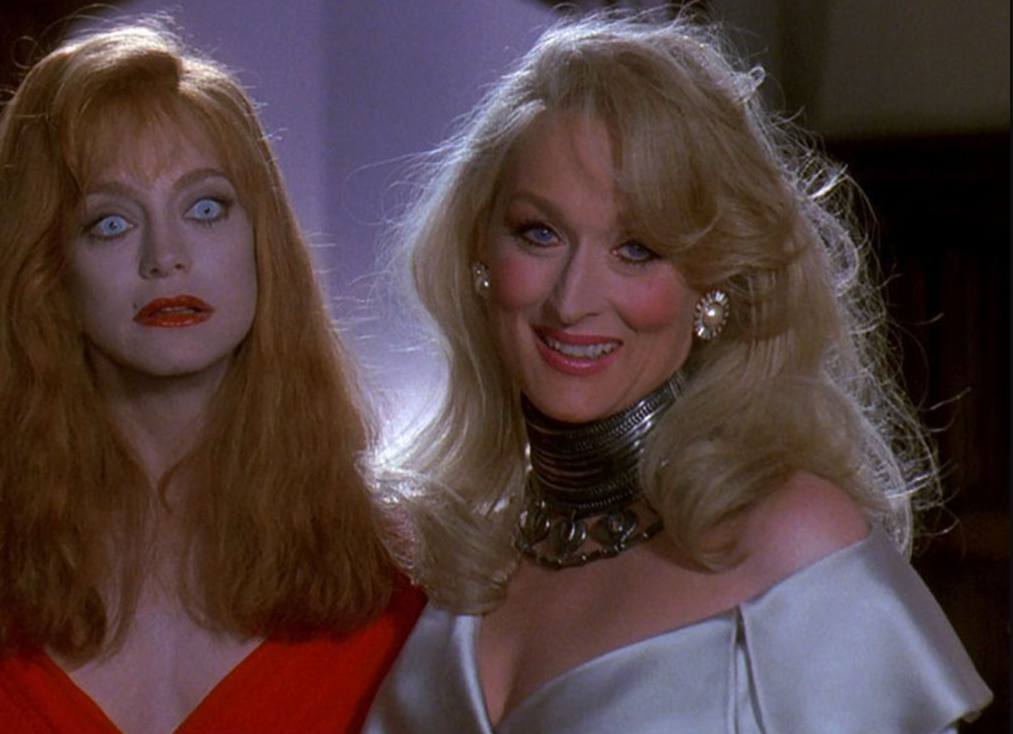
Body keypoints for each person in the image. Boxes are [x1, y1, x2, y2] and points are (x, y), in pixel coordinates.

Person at [359, 12, 991, 733]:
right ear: (478, 253)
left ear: (713, 285)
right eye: (539, 233)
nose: (571, 300)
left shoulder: (793, 540)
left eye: (637, 249)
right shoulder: (455, 553)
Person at [0, 22, 423, 734]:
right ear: (45, 273)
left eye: (205, 208)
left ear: (261, 241)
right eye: (109, 223)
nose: (165, 256)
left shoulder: (399, 576)